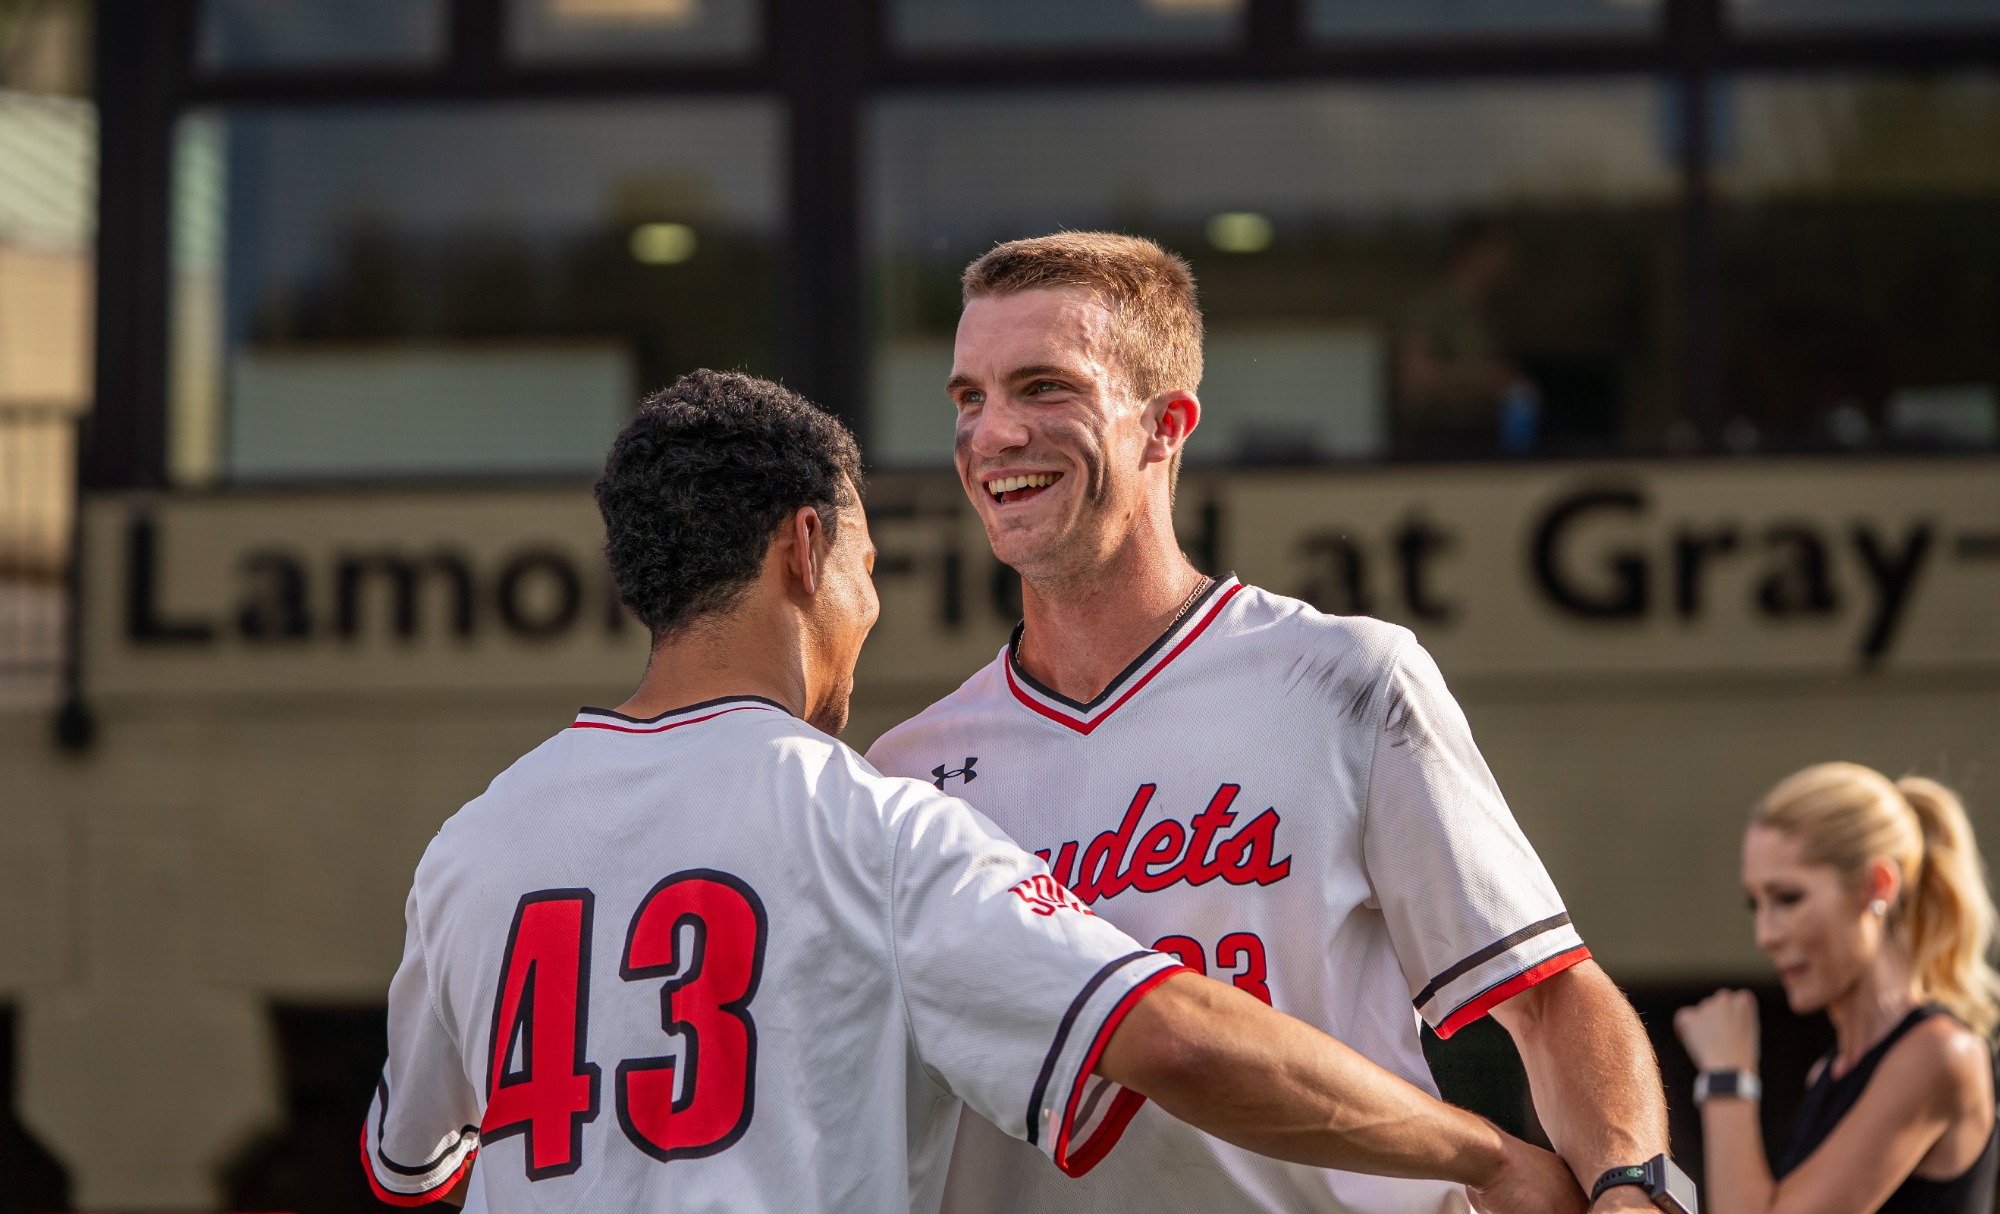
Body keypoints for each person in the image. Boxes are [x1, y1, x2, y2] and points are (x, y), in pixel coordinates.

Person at [361, 370, 1579, 1213]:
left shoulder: (473, 846)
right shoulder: (869, 822)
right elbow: (1169, 1039)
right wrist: (1483, 1150)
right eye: (866, 567)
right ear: (804, 549)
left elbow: (411, 1165)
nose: (869, 610)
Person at [866, 232, 1680, 1214]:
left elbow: (1547, 996)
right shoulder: (904, 774)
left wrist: (1632, 1188)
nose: (991, 434)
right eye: (967, 396)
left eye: (1043, 387)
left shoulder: (1348, 679)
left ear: (1165, 425)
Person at [1674, 762, 1999, 1214]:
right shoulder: (1829, 1073)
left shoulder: (1940, 1056)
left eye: (1787, 898)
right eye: (1756, 904)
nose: (1766, 934)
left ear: (1877, 885)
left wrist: (1726, 1076)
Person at [1396, 217, 1537, 456]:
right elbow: (1418, 378)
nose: (1506, 260)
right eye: (1498, 249)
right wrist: (1488, 382)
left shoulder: (1488, 312)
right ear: (1475, 252)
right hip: (1441, 443)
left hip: (1480, 438)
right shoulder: (1435, 308)